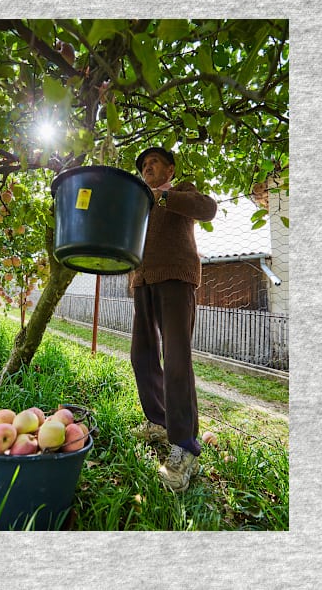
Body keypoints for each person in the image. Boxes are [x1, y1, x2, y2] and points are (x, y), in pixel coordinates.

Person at [129, 146, 217, 492]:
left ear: (170, 169)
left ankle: (184, 446)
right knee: (142, 356)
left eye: (153, 163)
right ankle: (159, 421)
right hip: (143, 281)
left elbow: (207, 209)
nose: (147, 168)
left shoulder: (181, 192)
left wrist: (162, 198)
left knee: (177, 361)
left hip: (176, 280)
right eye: (143, 166)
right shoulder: (141, 202)